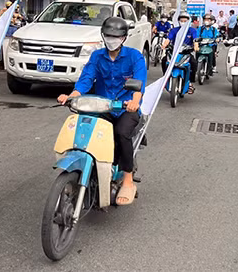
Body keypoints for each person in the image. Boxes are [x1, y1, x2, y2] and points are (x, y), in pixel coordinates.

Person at [57, 17, 147, 206]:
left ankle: (128, 180)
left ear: (124, 37)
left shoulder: (134, 56)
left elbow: (139, 84)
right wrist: (71, 96)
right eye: (108, 35)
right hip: (101, 106)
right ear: (103, 36)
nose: (111, 39)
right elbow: (86, 79)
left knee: (122, 133)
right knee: (85, 129)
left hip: (125, 108)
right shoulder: (97, 56)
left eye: (116, 36)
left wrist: (134, 102)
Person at [162, 12, 199, 94]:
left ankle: (190, 82)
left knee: (193, 63)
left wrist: (196, 46)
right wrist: (164, 45)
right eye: (181, 20)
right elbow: (168, 39)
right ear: (178, 21)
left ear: (188, 22)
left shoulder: (192, 30)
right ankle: (164, 79)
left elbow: (195, 40)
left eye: (185, 21)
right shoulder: (174, 30)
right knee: (164, 60)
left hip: (186, 53)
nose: (183, 22)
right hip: (174, 52)